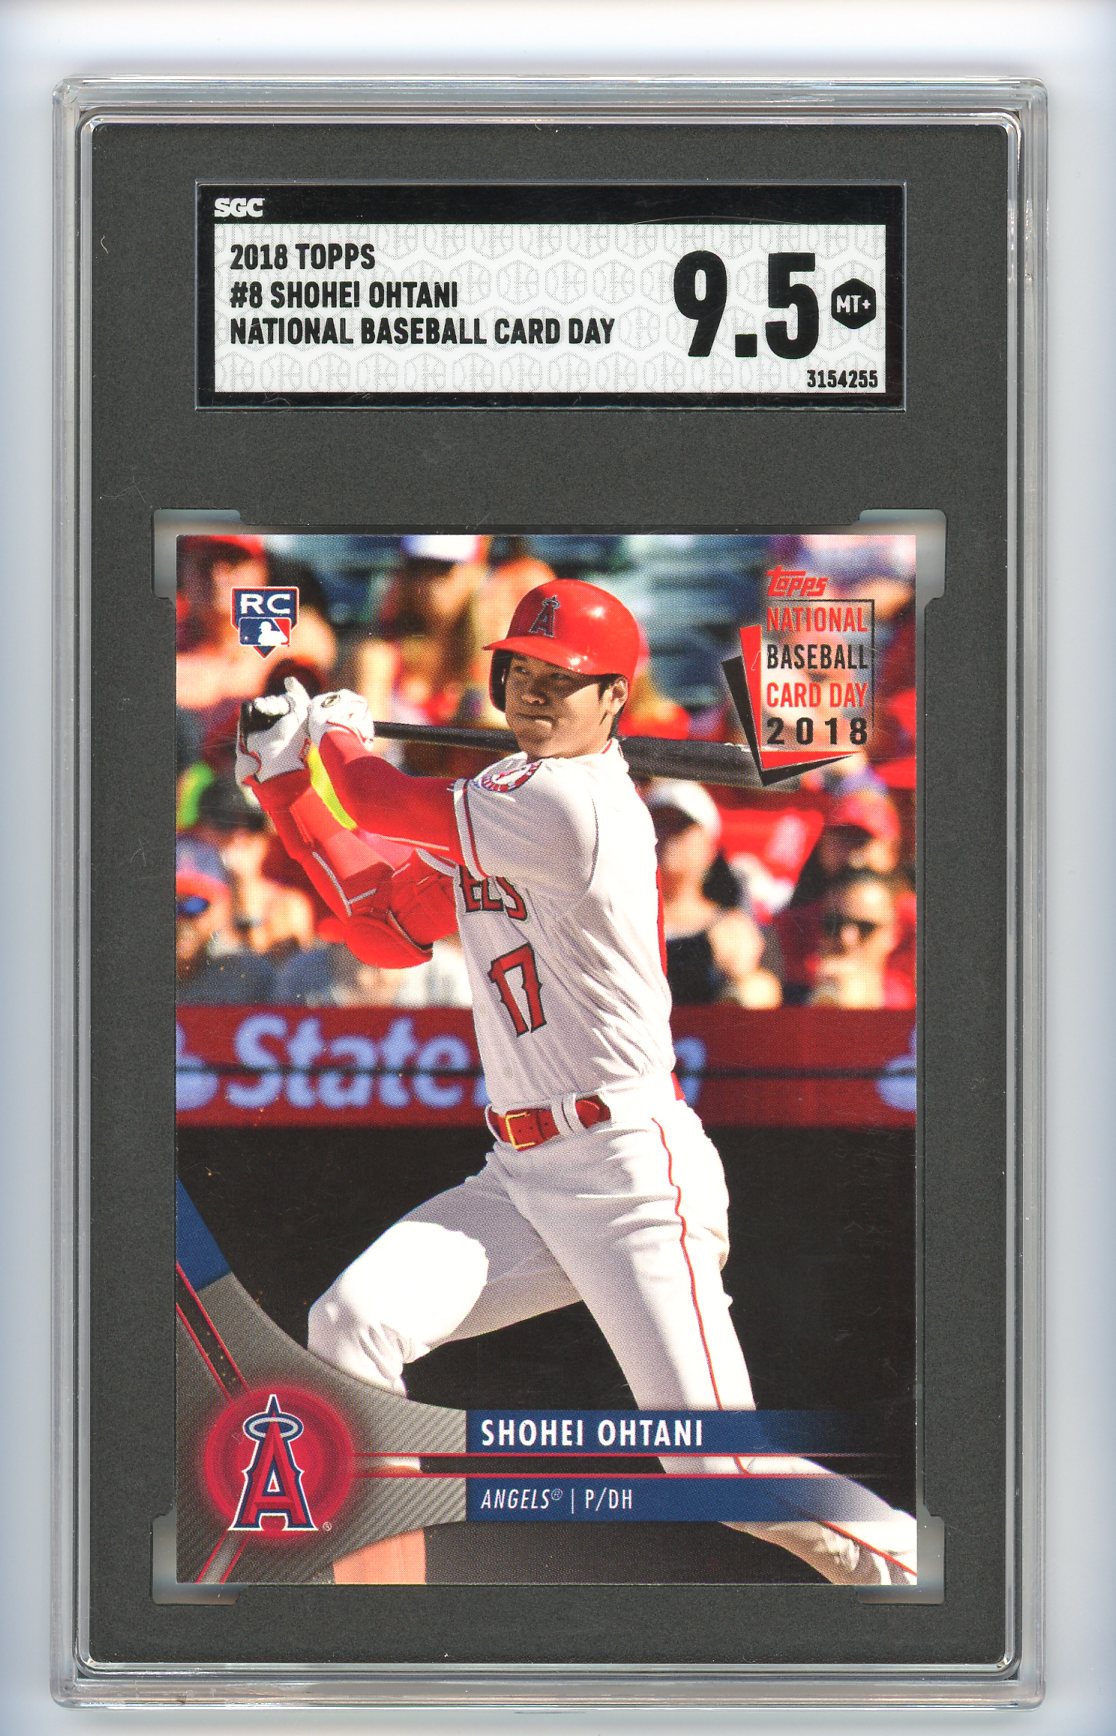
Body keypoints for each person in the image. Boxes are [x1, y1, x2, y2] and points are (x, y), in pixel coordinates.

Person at [236, 579, 916, 1587]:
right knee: (350, 1326)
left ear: (614, 698)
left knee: (721, 1470)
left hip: (631, 1171)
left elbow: (379, 801)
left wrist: (330, 742)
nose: (538, 691)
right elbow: (383, 921)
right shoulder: (510, 795)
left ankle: (923, 1572)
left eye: (566, 678)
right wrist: (285, 784)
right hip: (521, 1174)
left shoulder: (578, 802)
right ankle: (381, 1619)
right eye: (523, 671)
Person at [647, 781, 781, 1007]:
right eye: (659, 824)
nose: (668, 836)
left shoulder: (733, 927)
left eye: (681, 826)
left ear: (710, 847)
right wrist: (705, 949)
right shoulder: (620, 916)